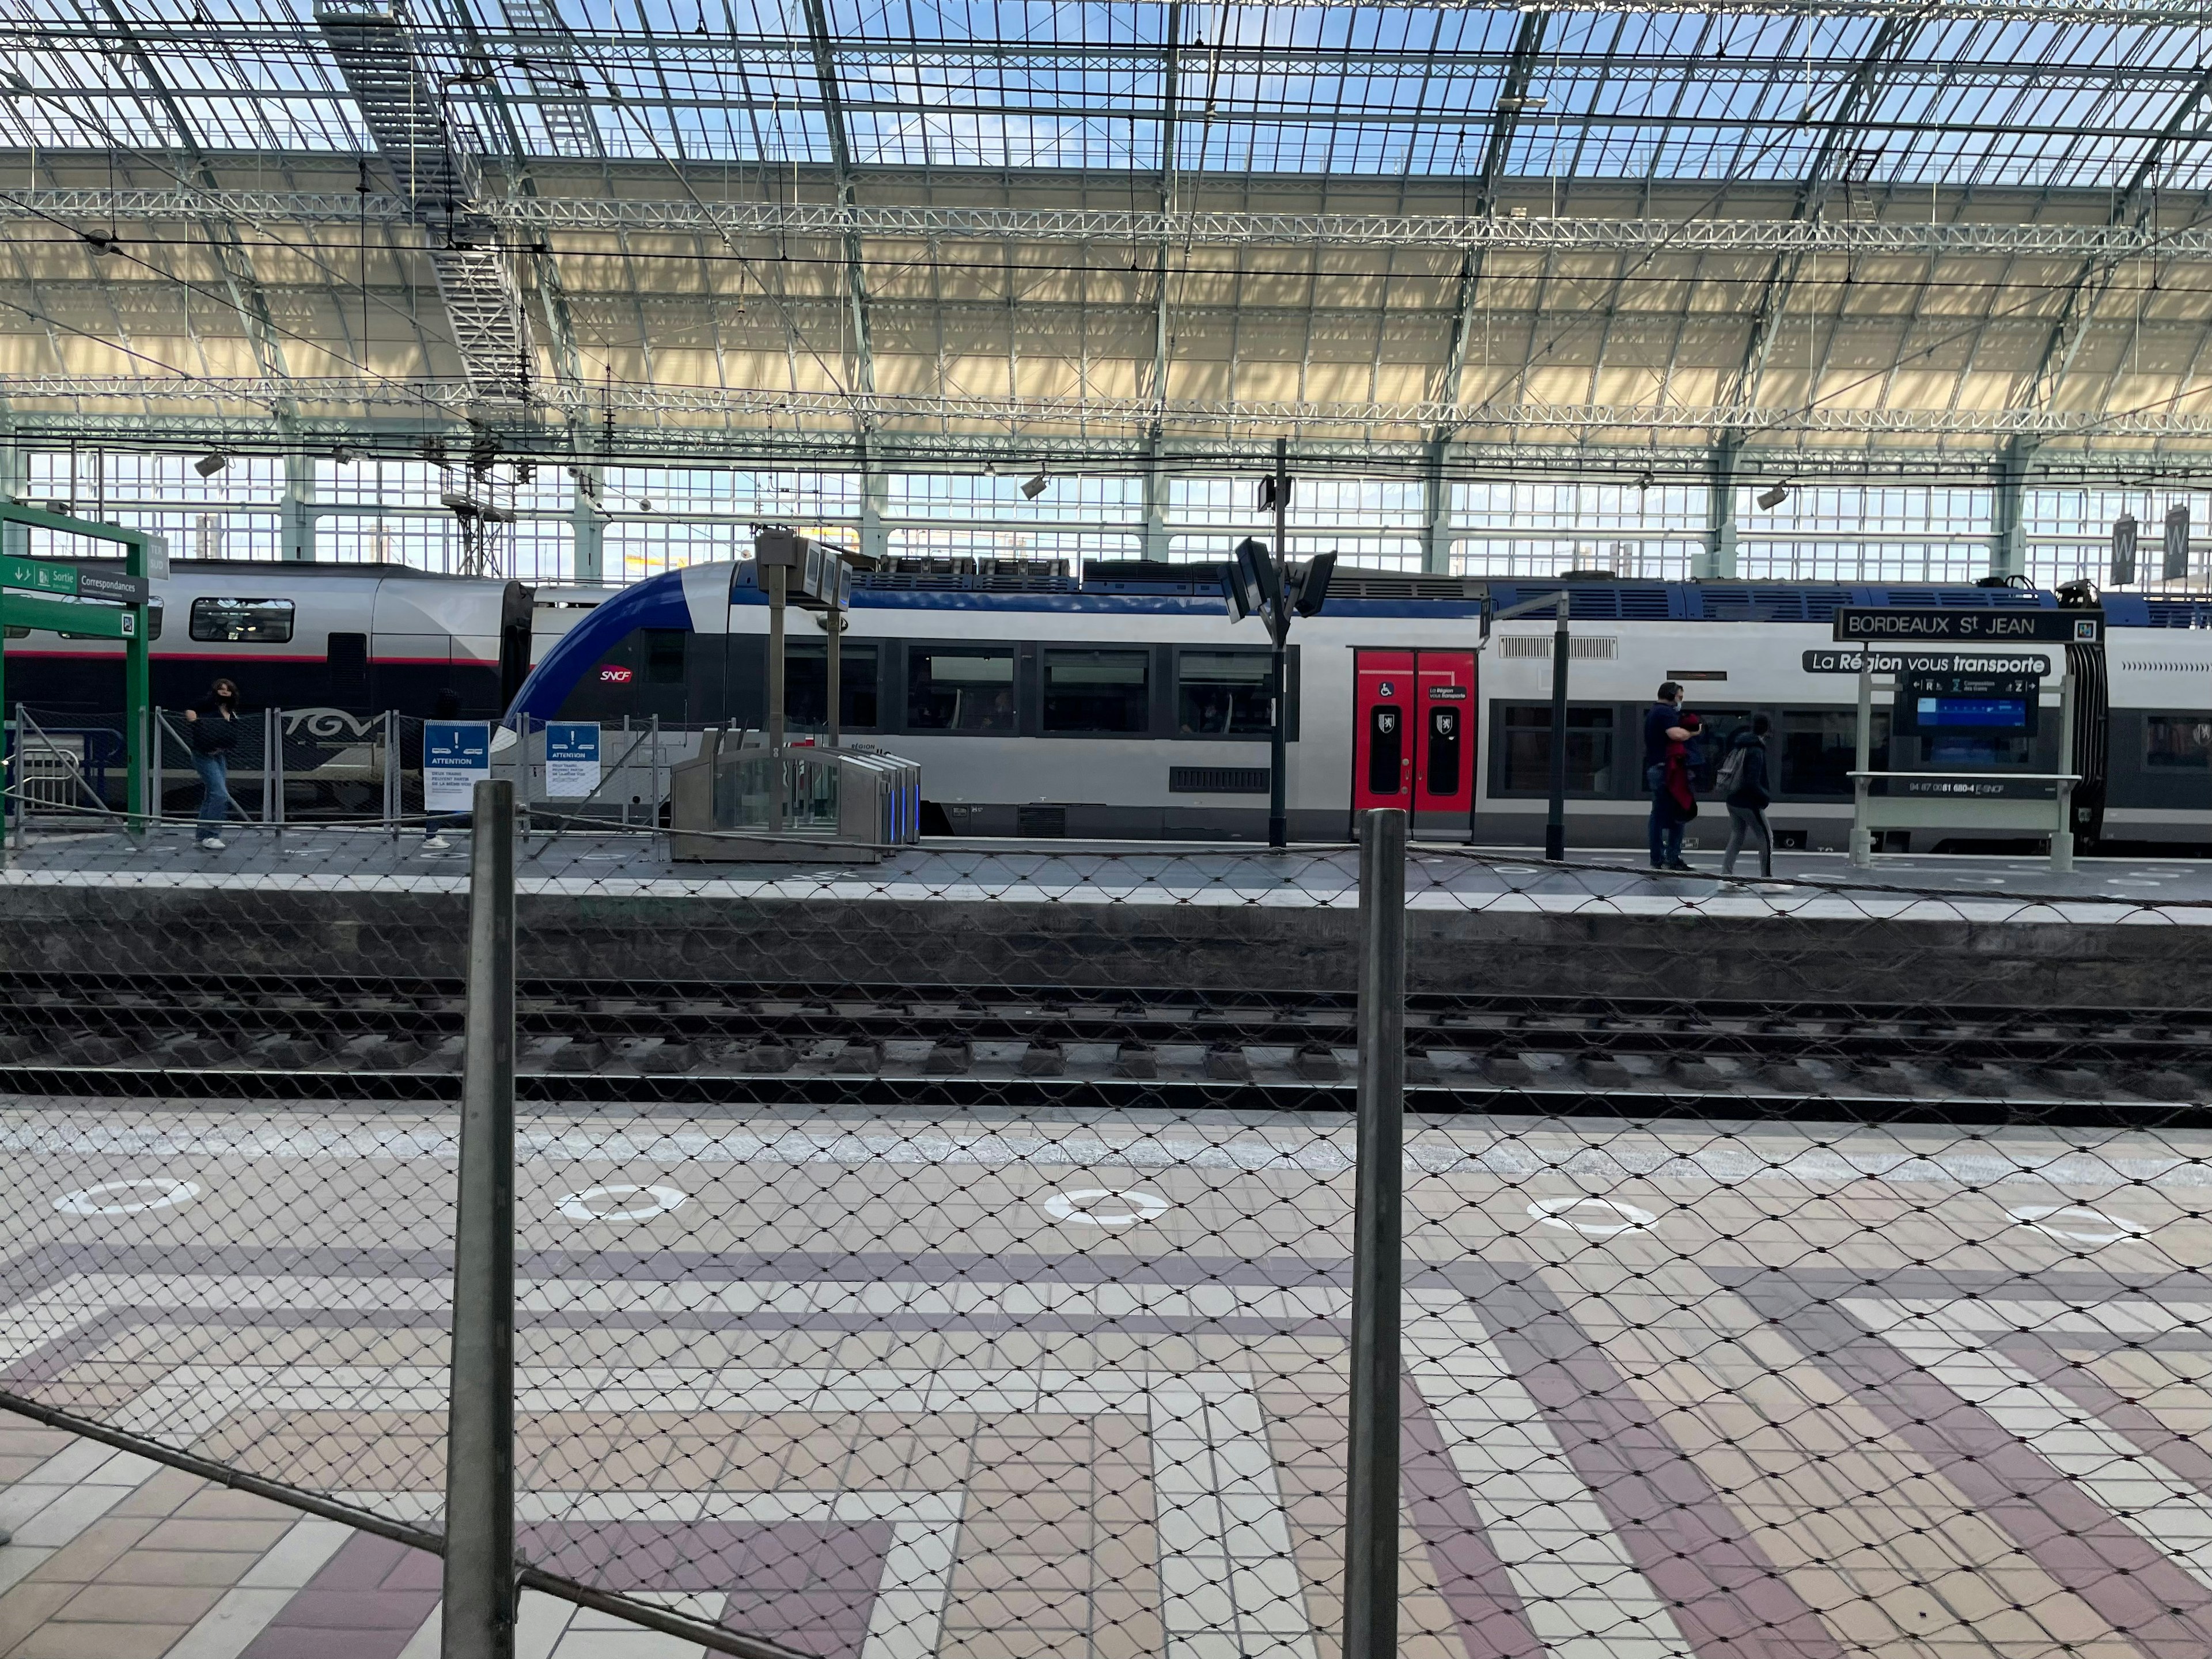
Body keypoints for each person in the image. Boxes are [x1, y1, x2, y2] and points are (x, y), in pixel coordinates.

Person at [183, 678, 243, 851]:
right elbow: (190, 709)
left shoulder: (232, 711)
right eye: (221, 689)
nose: (224, 692)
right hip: (204, 755)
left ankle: (202, 836)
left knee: (212, 794)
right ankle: (212, 835)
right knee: (220, 794)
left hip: (219, 756)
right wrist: (195, 724)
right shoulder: (209, 705)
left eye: (228, 690)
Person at [1642, 681, 1693, 870]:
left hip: (1659, 768)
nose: (1681, 700)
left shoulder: (1654, 712)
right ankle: (1671, 857)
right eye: (1680, 696)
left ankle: (1660, 857)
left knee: (1660, 814)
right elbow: (1676, 735)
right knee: (1677, 813)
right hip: (1667, 770)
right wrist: (1693, 731)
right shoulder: (1664, 712)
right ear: (1672, 694)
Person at [1720, 715, 1775, 879]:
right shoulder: (1756, 750)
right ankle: (1767, 879)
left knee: (1737, 837)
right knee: (1766, 837)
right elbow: (1752, 781)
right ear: (1766, 729)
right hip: (1748, 802)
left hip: (1733, 800)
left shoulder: (1740, 745)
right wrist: (1765, 797)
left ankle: (1726, 877)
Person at [1654, 711, 1700, 872]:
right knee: (1674, 822)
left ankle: (1666, 857)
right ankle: (1671, 857)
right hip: (1678, 789)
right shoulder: (1681, 747)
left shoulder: (1675, 746)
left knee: (1666, 820)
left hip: (1675, 787)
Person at [423, 687, 465, 853]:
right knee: (437, 802)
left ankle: (432, 833)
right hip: (437, 769)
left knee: (437, 802)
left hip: (432, 768)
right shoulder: (442, 724)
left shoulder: (431, 721)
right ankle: (431, 836)